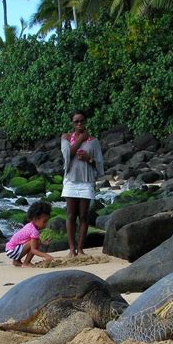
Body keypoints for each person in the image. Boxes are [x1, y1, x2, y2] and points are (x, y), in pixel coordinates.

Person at [61, 110, 104, 257]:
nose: (79, 124)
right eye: (76, 121)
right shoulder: (66, 137)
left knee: (84, 216)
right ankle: (72, 249)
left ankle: (80, 249)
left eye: (82, 121)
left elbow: (99, 163)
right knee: (71, 215)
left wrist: (88, 158)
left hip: (86, 181)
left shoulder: (93, 141)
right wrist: (81, 138)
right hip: (71, 181)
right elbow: (68, 155)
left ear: (85, 121)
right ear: (72, 123)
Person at [5, 201, 53, 267]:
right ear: (35, 219)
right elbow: (33, 250)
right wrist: (46, 255)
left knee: (36, 241)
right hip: (12, 251)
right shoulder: (34, 230)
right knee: (35, 243)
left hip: (10, 249)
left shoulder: (30, 226)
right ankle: (26, 263)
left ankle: (16, 261)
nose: (46, 224)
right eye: (44, 221)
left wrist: (42, 242)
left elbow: (30, 240)